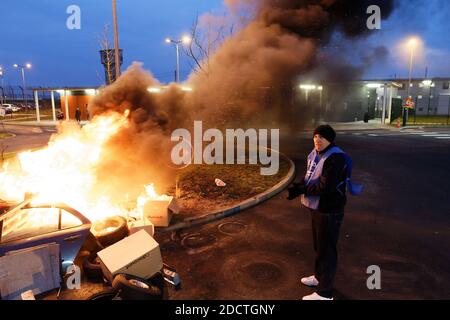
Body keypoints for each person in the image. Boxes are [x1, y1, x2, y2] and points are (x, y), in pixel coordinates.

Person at [287, 124, 362, 300]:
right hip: (317, 208)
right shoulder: (316, 153)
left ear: (330, 139)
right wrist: (300, 186)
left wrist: (303, 190)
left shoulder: (336, 158)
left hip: (329, 209)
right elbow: (310, 175)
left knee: (327, 250)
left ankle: (325, 293)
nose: (317, 140)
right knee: (319, 246)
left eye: (321, 137)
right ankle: (319, 277)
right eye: (315, 137)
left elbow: (326, 187)